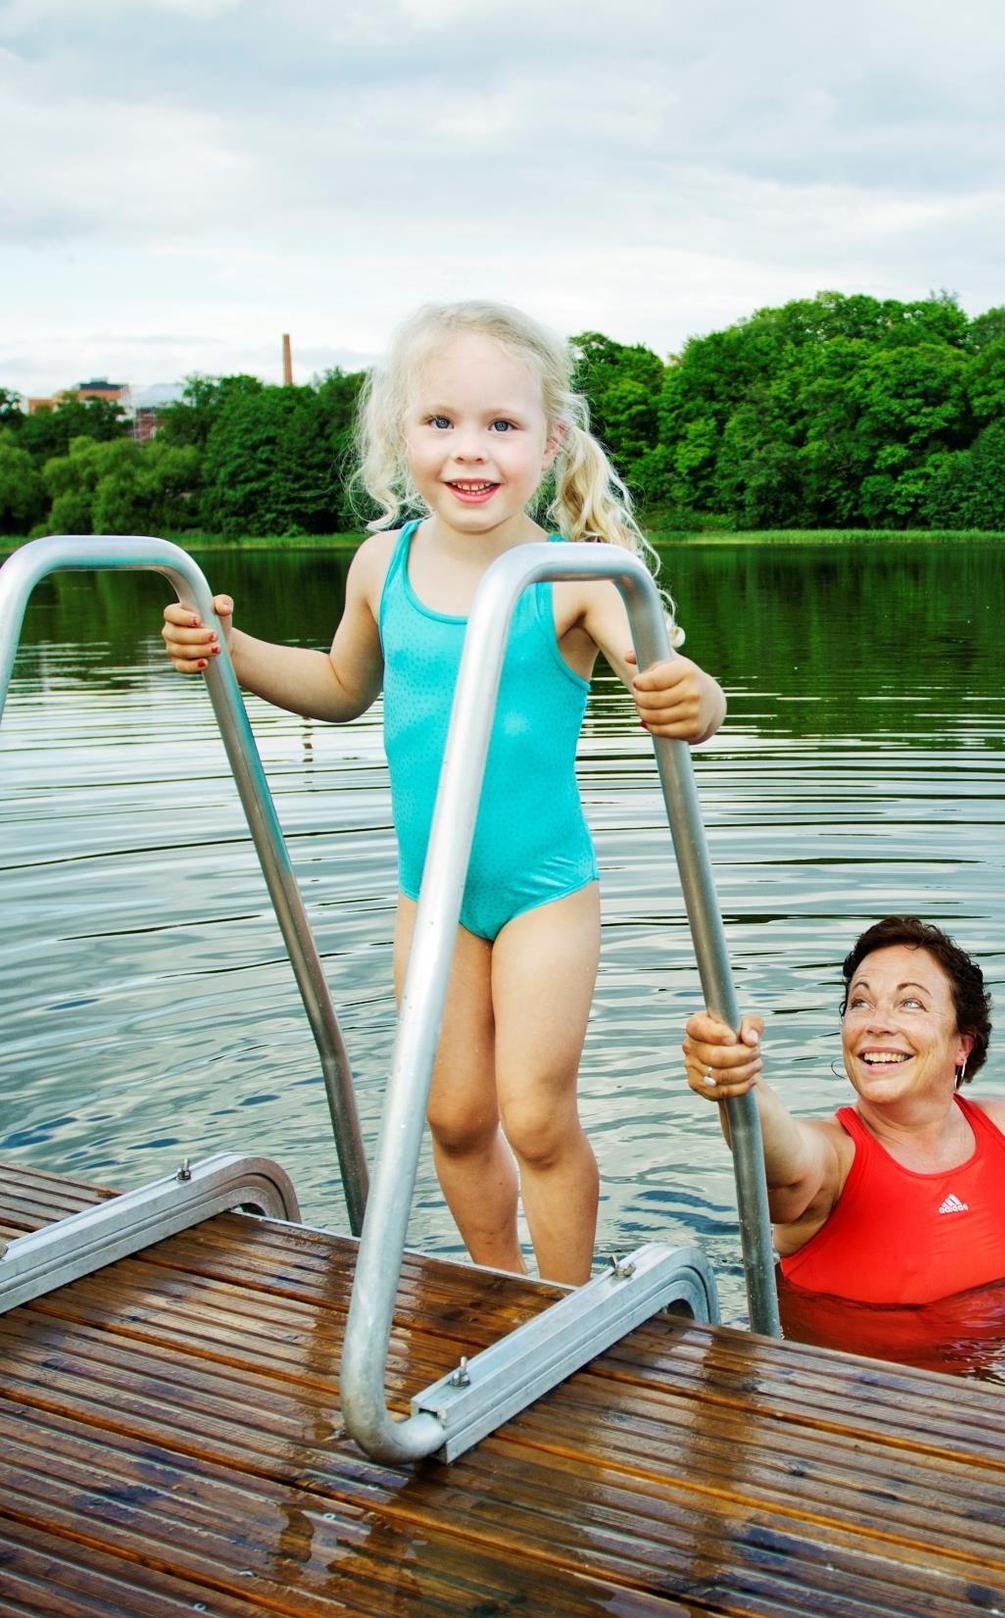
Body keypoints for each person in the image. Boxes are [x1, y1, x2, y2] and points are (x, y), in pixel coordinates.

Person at [163, 300, 726, 1286]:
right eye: (441, 422)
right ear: (401, 437)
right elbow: (342, 686)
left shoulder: (576, 577)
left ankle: (564, 1301)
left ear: (548, 442)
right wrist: (232, 653)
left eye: (501, 425)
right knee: (452, 1114)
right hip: (430, 895)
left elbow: (674, 680)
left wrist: (698, 698)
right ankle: (491, 1291)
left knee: (534, 1114)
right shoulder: (384, 564)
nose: (470, 451)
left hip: (543, 892)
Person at [684, 916, 1005, 1306]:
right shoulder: (834, 1161)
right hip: (858, 1369)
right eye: (860, 1002)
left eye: (910, 1003)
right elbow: (783, 1160)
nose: (877, 1024)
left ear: (962, 1044)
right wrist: (739, 1080)